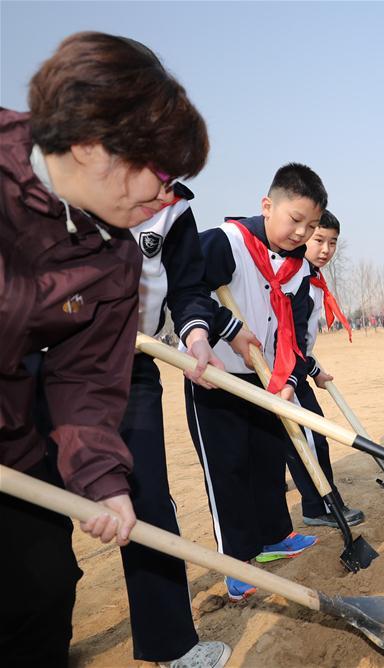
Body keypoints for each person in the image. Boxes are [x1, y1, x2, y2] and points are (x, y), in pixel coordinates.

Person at [0, 32, 212, 666]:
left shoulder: (116, 258)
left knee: (39, 591)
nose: (166, 196)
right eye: (162, 174)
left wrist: (101, 480)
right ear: (95, 144)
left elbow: (87, 382)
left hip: (12, 443)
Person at [185, 163, 325, 602]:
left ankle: (274, 537)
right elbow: (189, 289)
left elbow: (296, 331)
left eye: (312, 225)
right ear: (267, 206)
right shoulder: (225, 243)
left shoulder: (297, 268)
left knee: (267, 462)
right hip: (218, 378)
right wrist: (217, 328)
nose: (301, 232)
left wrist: (289, 379)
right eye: (294, 220)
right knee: (228, 471)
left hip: (266, 379)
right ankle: (236, 560)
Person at [124, 184, 248, 666]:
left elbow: (186, 286)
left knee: (146, 498)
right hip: (42, 362)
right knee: (38, 527)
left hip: (134, 363)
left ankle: (169, 643)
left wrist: (196, 333)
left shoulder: (173, 205)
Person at [284, 209, 364, 529]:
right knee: (310, 437)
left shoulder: (312, 278)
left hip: (296, 367)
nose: (325, 250)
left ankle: (317, 504)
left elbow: (301, 339)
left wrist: (313, 367)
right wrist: (298, 372)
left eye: (332, 243)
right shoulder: (294, 276)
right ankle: (320, 506)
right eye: (319, 240)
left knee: (306, 436)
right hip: (281, 372)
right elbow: (284, 335)